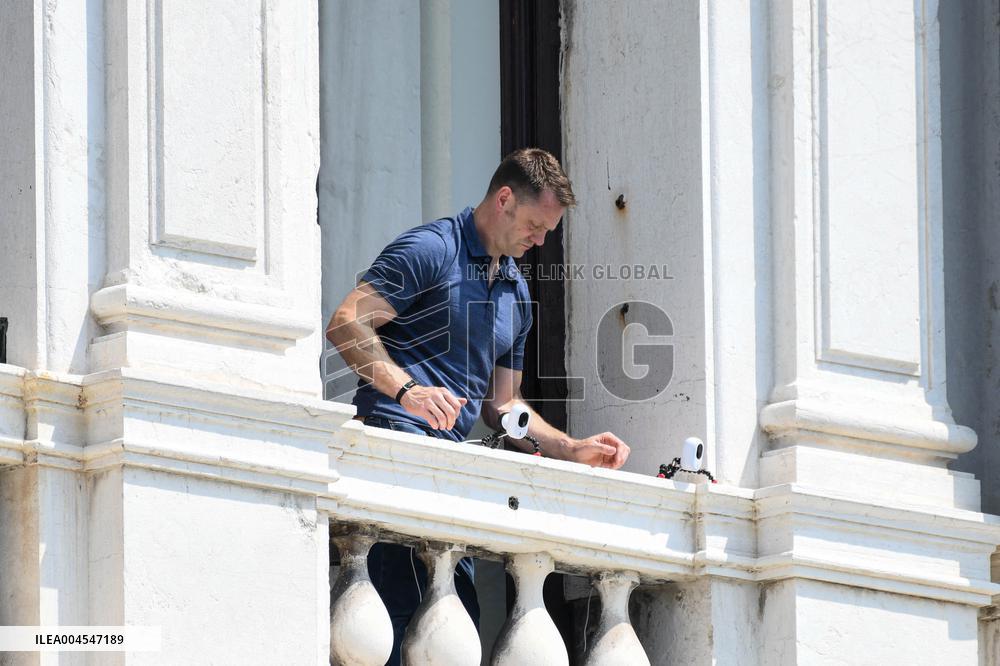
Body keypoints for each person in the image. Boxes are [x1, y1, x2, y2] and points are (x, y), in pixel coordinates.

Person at [325, 147, 631, 664]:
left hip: (450, 477)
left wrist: (568, 447)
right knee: (393, 631)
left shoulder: (518, 294)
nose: (539, 241)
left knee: (453, 631)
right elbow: (346, 322)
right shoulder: (431, 249)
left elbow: (502, 405)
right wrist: (408, 391)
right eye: (534, 225)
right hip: (394, 455)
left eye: (547, 232)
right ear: (504, 199)